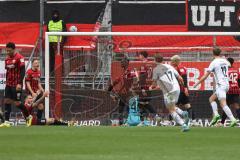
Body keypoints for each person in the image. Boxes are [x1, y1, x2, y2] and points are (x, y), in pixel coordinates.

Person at [193, 48, 237, 127]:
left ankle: (233, 119)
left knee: (223, 104)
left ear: (212, 53)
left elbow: (205, 76)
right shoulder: (225, 61)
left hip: (220, 85)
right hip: (226, 85)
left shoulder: (213, 62)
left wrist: (197, 83)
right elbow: (230, 64)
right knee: (211, 99)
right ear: (220, 53)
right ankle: (216, 115)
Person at [150, 54, 190, 132]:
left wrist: (151, 87)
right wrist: (184, 87)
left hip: (169, 91)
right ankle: (183, 113)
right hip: (177, 88)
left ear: (155, 61)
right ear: (163, 60)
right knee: (172, 106)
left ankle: (183, 124)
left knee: (170, 109)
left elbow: (154, 84)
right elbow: (180, 78)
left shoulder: (156, 70)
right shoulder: (170, 66)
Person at [0, 42, 32, 127]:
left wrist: (19, 83)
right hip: (9, 84)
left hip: (16, 84)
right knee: (6, 101)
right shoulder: (7, 59)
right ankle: (6, 122)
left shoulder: (20, 58)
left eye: (9, 50)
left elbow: (22, 71)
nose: (8, 52)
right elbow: (8, 72)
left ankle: (28, 116)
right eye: (6, 50)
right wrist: (6, 82)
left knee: (17, 103)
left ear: (14, 49)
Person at [108, 56, 137, 125]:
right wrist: (109, 89)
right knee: (120, 109)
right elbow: (116, 81)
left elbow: (135, 79)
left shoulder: (130, 71)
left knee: (127, 108)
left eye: (122, 61)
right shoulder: (123, 73)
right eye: (121, 61)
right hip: (124, 94)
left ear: (126, 62)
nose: (121, 62)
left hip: (129, 94)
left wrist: (132, 88)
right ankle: (121, 123)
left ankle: (131, 121)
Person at [170, 55, 196, 125]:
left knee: (171, 105)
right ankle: (193, 121)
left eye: (172, 61)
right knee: (187, 105)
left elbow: (184, 78)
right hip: (182, 90)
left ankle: (171, 121)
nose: (171, 62)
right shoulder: (177, 68)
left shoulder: (180, 68)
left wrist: (185, 88)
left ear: (176, 61)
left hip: (180, 91)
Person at [137, 51, 158, 122]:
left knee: (140, 104)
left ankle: (143, 120)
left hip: (144, 86)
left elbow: (142, 77)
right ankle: (154, 116)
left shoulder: (143, 64)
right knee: (145, 103)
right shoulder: (150, 64)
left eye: (139, 55)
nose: (138, 57)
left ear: (142, 56)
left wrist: (142, 88)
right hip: (149, 86)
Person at [220, 57, 240, 125]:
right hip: (236, 89)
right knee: (237, 106)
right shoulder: (237, 70)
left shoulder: (226, 71)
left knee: (225, 106)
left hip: (229, 90)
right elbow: (239, 80)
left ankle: (222, 123)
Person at [47, 10, 67, 75]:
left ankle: (61, 73)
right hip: (51, 43)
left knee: (60, 58)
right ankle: (51, 72)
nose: (55, 16)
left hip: (59, 43)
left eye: (56, 14)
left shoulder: (62, 22)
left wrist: (62, 43)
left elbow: (65, 33)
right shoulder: (49, 22)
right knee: (51, 58)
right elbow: (47, 32)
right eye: (54, 14)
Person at [25, 58, 45, 124]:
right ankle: (28, 120)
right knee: (30, 107)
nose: (38, 64)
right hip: (30, 93)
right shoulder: (28, 72)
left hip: (37, 92)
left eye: (38, 63)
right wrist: (32, 93)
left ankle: (37, 121)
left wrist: (43, 90)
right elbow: (28, 84)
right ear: (32, 64)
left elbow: (39, 83)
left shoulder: (39, 72)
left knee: (41, 106)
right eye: (36, 63)